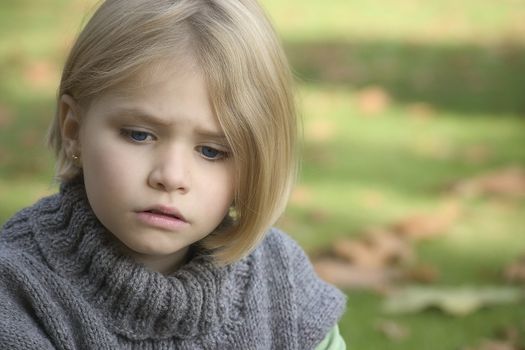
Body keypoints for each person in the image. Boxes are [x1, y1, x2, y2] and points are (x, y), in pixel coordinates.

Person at [0, 0, 346, 348]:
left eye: (212, 151)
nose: (171, 176)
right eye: (139, 134)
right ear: (73, 128)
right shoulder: (16, 289)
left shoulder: (281, 279)